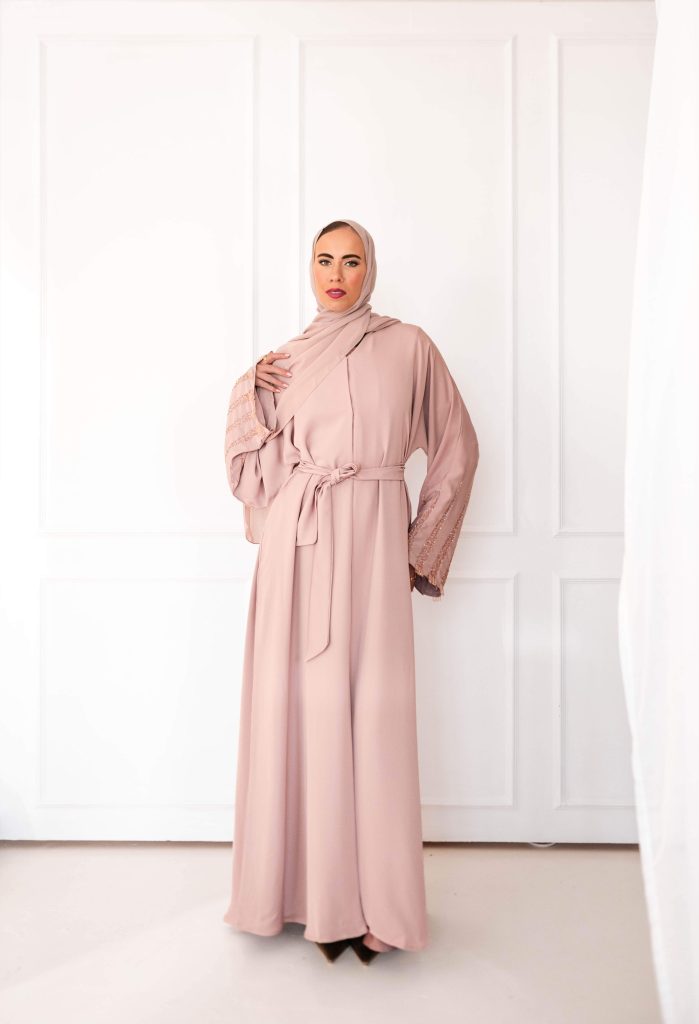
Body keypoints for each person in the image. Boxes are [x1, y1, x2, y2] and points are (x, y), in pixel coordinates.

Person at [222, 218, 479, 965]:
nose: (336, 274)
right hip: (296, 549)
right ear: (310, 269)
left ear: (371, 269)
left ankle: (377, 905)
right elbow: (248, 465)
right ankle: (301, 897)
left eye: (351, 261)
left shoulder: (410, 347)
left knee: (374, 712)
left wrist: (417, 546)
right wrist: (247, 388)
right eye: (324, 260)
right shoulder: (286, 359)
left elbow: (457, 447)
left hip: (371, 541)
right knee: (297, 708)